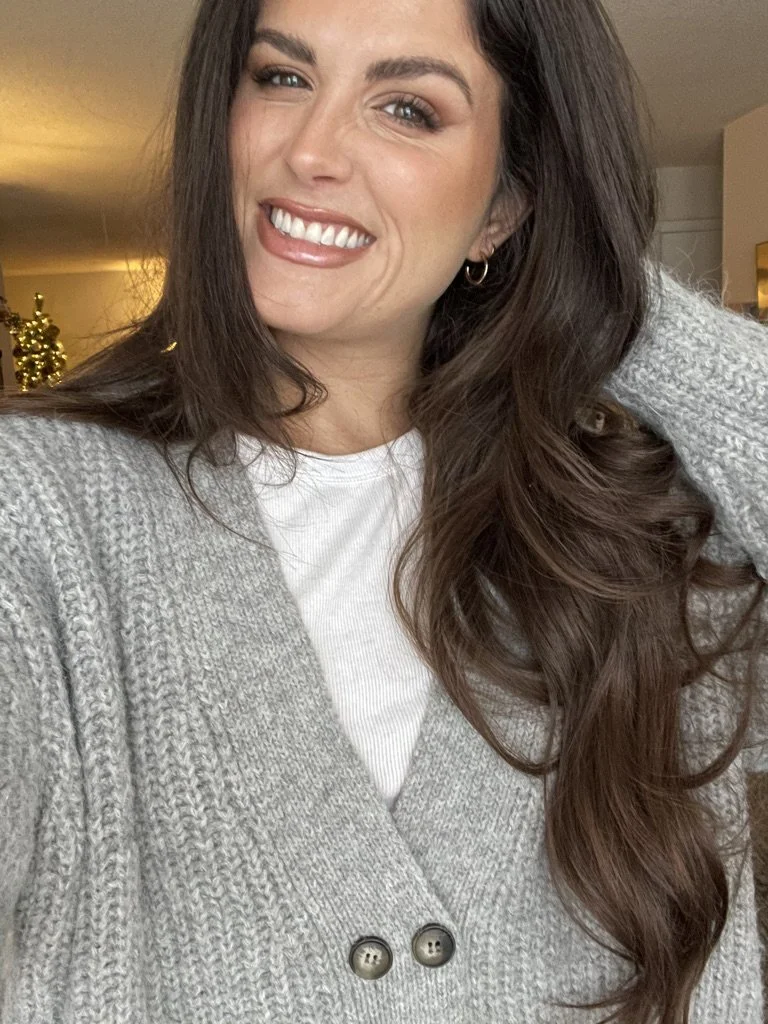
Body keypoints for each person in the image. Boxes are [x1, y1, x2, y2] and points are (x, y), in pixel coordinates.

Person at [0, 0, 766, 1019]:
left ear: (505, 205)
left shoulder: (637, 529)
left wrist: (600, 296)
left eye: (407, 107)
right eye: (280, 77)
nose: (311, 149)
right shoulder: (42, 509)